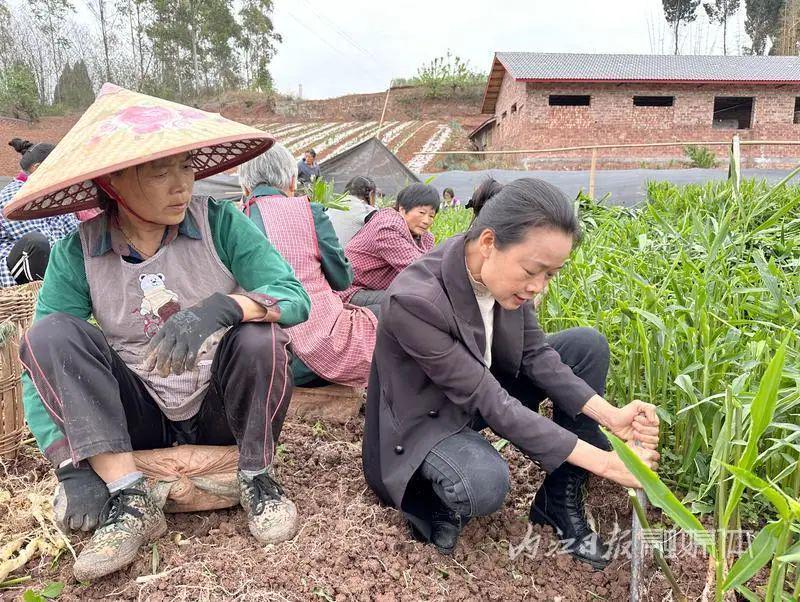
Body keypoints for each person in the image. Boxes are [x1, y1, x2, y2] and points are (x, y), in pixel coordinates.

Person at [7, 84, 311, 581]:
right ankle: (130, 498)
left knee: (265, 337)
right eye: (159, 171)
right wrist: (67, 464)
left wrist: (224, 307)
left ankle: (257, 476)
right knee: (50, 334)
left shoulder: (221, 223)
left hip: (219, 408)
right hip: (140, 415)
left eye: (187, 166)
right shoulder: (78, 253)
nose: (182, 186)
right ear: (114, 182)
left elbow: (292, 296)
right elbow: (43, 360)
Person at [361, 178, 660, 567]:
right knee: (484, 482)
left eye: (551, 274)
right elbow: (490, 398)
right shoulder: (416, 300)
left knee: (586, 346)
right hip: (426, 422)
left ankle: (559, 498)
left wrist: (611, 417)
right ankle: (432, 493)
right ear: (488, 243)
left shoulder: (506, 281)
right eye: (534, 271)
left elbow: (537, 356)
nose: (539, 288)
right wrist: (605, 462)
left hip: (477, 398)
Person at [241, 142, 377, 388]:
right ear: (292, 182)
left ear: (245, 187)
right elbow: (342, 279)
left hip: (256, 357)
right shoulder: (309, 212)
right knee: (381, 320)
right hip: (308, 359)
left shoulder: (234, 219)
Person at [340, 182, 439, 308]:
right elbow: (421, 270)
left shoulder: (424, 237)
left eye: (431, 216)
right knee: (415, 303)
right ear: (402, 209)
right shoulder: (388, 227)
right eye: (421, 213)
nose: (426, 221)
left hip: (375, 289)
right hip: (352, 290)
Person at [0, 139, 79, 286]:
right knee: (38, 243)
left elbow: (75, 234)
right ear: (37, 168)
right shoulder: (15, 197)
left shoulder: (54, 196)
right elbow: (47, 245)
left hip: (49, 264)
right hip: (15, 276)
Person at [327, 175, 377, 246]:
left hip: (325, 255)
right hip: (346, 256)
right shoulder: (368, 211)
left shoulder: (331, 207)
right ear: (371, 194)